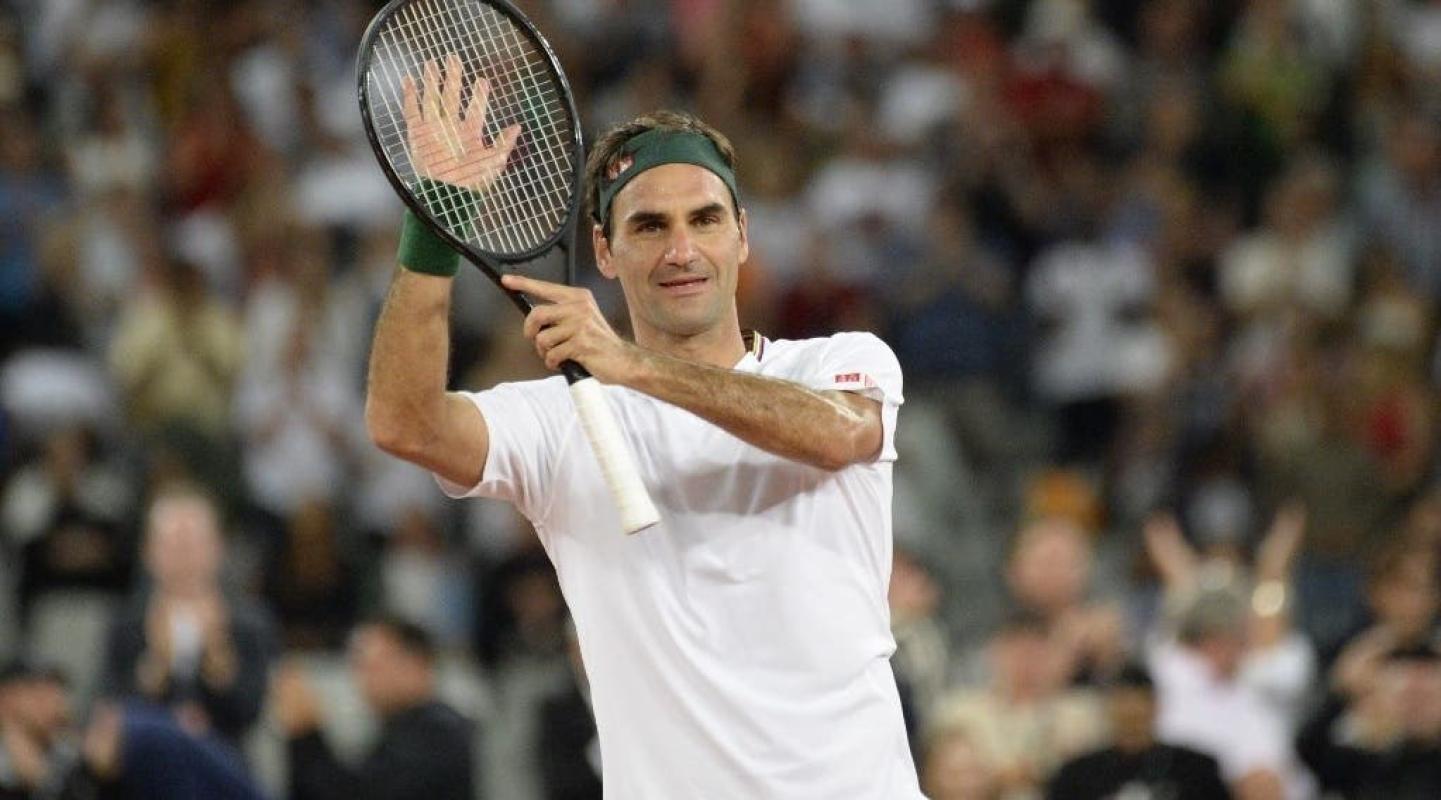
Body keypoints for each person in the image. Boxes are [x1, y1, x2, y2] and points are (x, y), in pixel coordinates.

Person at [365, 61, 920, 797]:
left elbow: (839, 435)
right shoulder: (557, 422)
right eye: (649, 226)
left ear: (742, 235)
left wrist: (632, 366)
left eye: (705, 219)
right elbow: (404, 422)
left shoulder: (838, 361)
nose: (681, 250)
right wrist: (434, 224)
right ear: (603, 250)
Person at [100, 482, 275, 746]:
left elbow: (258, 713)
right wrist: (155, 667)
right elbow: (108, 710)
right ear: (148, 552)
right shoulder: (124, 623)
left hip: (228, 755)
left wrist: (219, 661)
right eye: (173, 544)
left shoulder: (252, 622)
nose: (184, 556)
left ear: (218, 548)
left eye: (193, 543)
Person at [272, 615, 474, 800]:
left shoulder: (437, 734)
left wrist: (307, 735)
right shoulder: (405, 727)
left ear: (415, 664)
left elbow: (364, 794)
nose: (363, 679)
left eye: (374, 665)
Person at [1047, 664, 1230, 800]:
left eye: (1138, 704)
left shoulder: (1195, 770)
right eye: (1123, 703)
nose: (1131, 713)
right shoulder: (1078, 776)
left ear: (1155, 706)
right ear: (1108, 708)